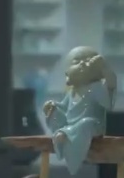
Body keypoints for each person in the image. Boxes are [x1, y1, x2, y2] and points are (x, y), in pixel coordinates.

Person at [43, 46, 117, 174]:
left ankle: (66, 135)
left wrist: (105, 68)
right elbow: (64, 108)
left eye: (74, 63)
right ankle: (64, 134)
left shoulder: (95, 88)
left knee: (86, 122)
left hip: (93, 126)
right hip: (71, 126)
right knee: (54, 110)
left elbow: (110, 89)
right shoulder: (72, 91)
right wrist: (53, 106)